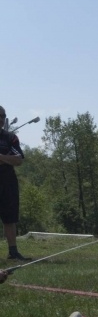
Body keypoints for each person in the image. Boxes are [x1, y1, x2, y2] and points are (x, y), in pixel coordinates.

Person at [0, 106, 30, 261]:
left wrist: (1, 157)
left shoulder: (10, 137)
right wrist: (7, 158)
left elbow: (18, 159)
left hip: (7, 181)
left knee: (10, 218)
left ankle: (13, 252)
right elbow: (12, 158)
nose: (0, 118)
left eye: (2, 116)